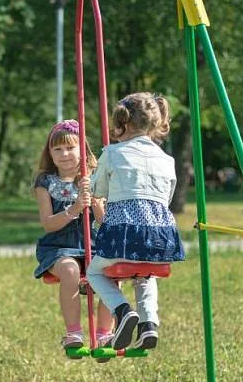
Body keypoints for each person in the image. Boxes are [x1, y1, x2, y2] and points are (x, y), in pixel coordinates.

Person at [86, 93, 185, 351]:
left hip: (123, 237)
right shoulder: (167, 160)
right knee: (145, 272)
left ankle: (122, 310)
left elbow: (97, 192)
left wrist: (90, 180)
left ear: (123, 123)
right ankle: (149, 324)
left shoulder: (112, 152)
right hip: (162, 241)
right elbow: (167, 198)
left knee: (94, 272)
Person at [33, 119, 114, 351]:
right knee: (70, 270)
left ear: (82, 149)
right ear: (49, 152)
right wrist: (74, 210)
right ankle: (74, 333)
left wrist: (95, 199)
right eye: (57, 149)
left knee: (109, 270)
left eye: (70, 147)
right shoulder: (45, 183)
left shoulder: (94, 177)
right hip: (59, 247)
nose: (64, 153)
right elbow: (48, 224)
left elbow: (102, 221)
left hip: (92, 244)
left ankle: (104, 334)